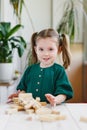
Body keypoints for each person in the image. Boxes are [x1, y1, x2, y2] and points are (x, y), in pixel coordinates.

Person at [8, 28, 73, 106]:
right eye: (41, 49)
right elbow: (23, 89)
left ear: (59, 50)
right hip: (31, 110)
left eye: (51, 49)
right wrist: (19, 96)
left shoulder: (59, 71)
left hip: (51, 110)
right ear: (36, 50)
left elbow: (64, 93)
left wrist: (55, 100)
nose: (45, 53)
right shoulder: (30, 70)